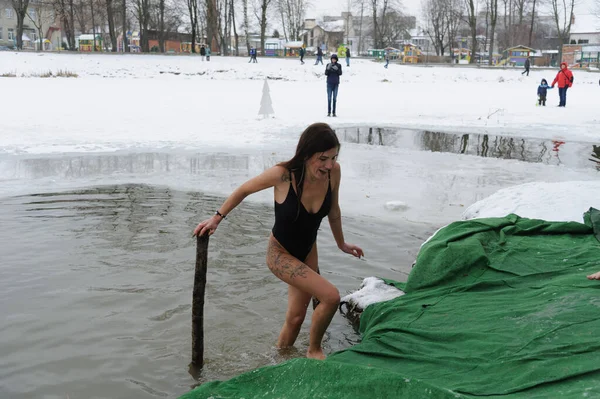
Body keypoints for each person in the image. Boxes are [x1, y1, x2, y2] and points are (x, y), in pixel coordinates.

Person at [193, 123, 364, 360]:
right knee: (331, 296)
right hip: (280, 253)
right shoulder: (283, 174)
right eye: (322, 158)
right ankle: (314, 351)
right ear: (306, 154)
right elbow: (244, 190)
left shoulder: (334, 172)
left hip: (307, 250)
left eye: (333, 157)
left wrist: (341, 244)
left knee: (295, 319)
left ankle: (278, 360)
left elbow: (334, 211)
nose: (328, 165)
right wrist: (217, 218)